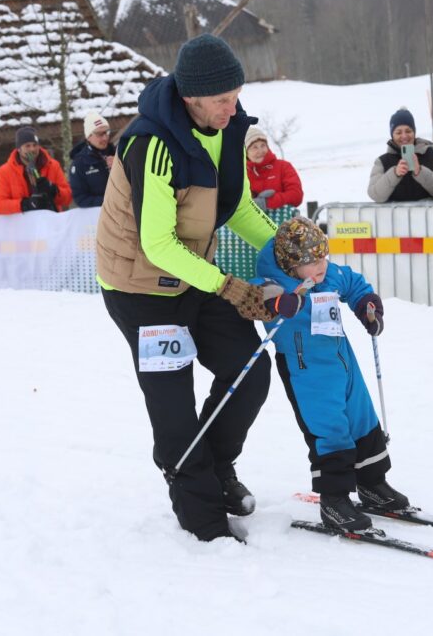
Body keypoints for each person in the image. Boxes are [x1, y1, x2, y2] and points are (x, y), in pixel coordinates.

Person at [95, 33, 290, 543]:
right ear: (190, 97)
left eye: (236, 96)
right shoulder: (151, 143)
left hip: (193, 273)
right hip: (139, 289)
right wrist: (229, 287)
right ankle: (202, 516)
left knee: (248, 369)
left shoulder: (228, 128)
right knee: (174, 405)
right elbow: (158, 244)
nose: (232, 108)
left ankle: (216, 469)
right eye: (222, 99)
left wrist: (287, 249)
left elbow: (237, 207)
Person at [255, 216, 409, 531]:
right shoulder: (274, 282)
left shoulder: (328, 275)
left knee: (362, 417)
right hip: (305, 368)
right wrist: (280, 303)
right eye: (312, 262)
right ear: (291, 265)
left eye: (323, 256)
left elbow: (352, 282)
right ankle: (334, 499)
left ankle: (372, 482)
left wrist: (367, 306)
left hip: (342, 359)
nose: (321, 266)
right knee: (330, 428)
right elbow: (259, 298)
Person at [368, 108, 433, 202]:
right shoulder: (382, 162)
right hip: (395, 212)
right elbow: (375, 195)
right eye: (398, 132)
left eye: (408, 131)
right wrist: (394, 173)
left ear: (414, 132)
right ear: (392, 135)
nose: (404, 136)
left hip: (429, 212)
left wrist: (420, 172)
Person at [0, 126, 72, 214]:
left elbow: (68, 197)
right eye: (27, 146)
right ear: (19, 149)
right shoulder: (4, 171)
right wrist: (25, 204)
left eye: (35, 145)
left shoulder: (52, 165)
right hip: (24, 221)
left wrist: (53, 190)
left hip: (51, 218)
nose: (32, 149)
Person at [245, 126, 303, 211]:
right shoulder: (242, 174)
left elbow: (296, 196)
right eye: (255, 147)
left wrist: (267, 202)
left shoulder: (283, 166)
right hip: (252, 218)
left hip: (283, 217)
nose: (260, 151)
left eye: (263, 145)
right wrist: (253, 202)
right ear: (246, 152)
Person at [69, 111, 115, 208]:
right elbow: (80, 198)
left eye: (107, 132)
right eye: (99, 134)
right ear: (88, 137)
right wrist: (109, 201)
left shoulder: (119, 153)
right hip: (98, 213)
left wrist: (120, 167)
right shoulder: (80, 163)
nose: (105, 137)